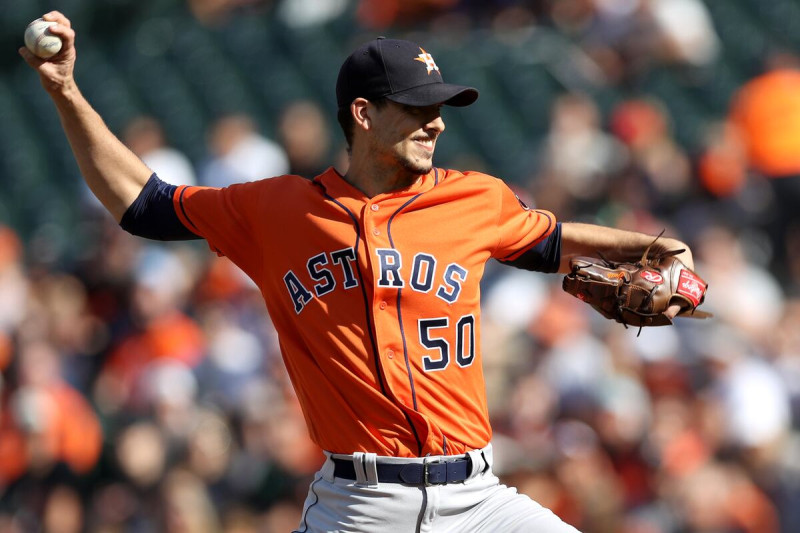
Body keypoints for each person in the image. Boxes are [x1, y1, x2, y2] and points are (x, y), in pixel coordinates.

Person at [21, 12, 698, 532]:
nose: (434, 123)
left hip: (480, 498)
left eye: (439, 108)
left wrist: (650, 249)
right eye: (415, 107)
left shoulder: (474, 198)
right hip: (360, 502)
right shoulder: (275, 209)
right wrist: (67, 93)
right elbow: (144, 204)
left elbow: (552, 238)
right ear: (364, 114)